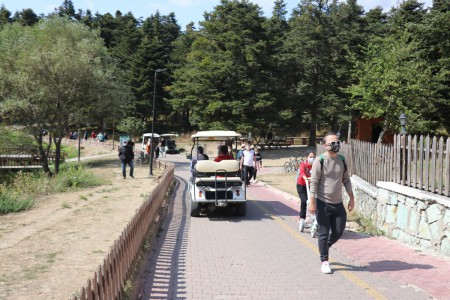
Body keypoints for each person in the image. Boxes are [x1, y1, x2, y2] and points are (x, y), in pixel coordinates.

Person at [308, 132, 355, 274]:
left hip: (338, 203)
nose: (336, 144)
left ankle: (325, 246)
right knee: (323, 232)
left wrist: (351, 198)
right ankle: (324, 260)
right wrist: (312, 202)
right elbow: (314, 182)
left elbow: (346, 179)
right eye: (333, 142)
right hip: (323, 203)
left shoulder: (342, 160)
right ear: (325, 146)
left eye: (337, 141)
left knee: (338, 231)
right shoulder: (320, 161)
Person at [297, 151, 316, 232]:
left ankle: (316, 218)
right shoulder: (303, 164)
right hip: (301, 185)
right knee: (304, 201)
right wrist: (305, 178)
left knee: (314, 201)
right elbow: (301, 172)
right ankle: (302, 218)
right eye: (310, 156)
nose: (312, 158)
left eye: (313, 156)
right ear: (307, 157)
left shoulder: (316, 165)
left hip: (311, 185)